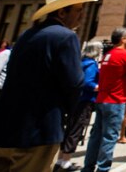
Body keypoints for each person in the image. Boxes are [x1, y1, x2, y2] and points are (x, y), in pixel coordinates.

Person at [0, 0, 96, 172]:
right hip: (38, 129)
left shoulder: (26, 35)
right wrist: (67, 112)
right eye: (78, 10)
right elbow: (74, 83)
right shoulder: (66, 36)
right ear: (61, 12)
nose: (82, 16)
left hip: (2, 127)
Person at [82, 27, 126, 172]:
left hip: (102, 99)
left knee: (96, 136)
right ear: (122, 40)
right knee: (110, 136)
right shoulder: (125, 54)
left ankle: (88, 167)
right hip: (115, 100)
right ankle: (103, 168)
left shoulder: (108, 54)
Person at [55, 41, 102, 171]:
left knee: (70, 128)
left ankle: (60, 159)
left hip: (75, 100)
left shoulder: (81, 62)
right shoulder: (92, 64)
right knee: (76, 129)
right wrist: (99, 87)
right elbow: (88, 82)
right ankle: (66, 161)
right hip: (85, 100)